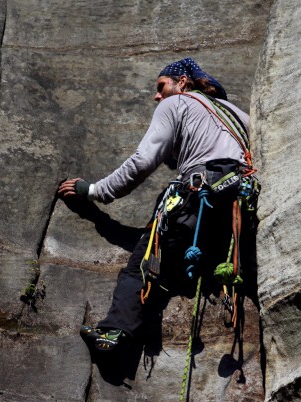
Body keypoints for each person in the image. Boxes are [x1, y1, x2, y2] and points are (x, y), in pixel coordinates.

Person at [58, 57, 258, 352]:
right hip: (240, 211)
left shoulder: (175, 104)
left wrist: (94, 190)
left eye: (161, 86)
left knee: (142, 265)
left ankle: (114, 332)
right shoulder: (241, 117)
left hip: (199, 197)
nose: (156, 95)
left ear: (183, 83)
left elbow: (143, 161)